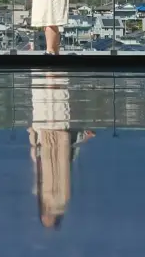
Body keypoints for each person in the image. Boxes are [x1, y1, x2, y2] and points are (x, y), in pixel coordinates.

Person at [28, 72, 95, 229]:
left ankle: (47, 56)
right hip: (53, 134)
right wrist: (82, 137)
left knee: (46, 95)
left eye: (46, 213)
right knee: (52, 96)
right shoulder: (57, 195)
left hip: (47, 133)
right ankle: (49, 56)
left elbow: (66, 157)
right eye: (50, 214)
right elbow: (69, 157)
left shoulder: (42, 190)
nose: (48, 211)